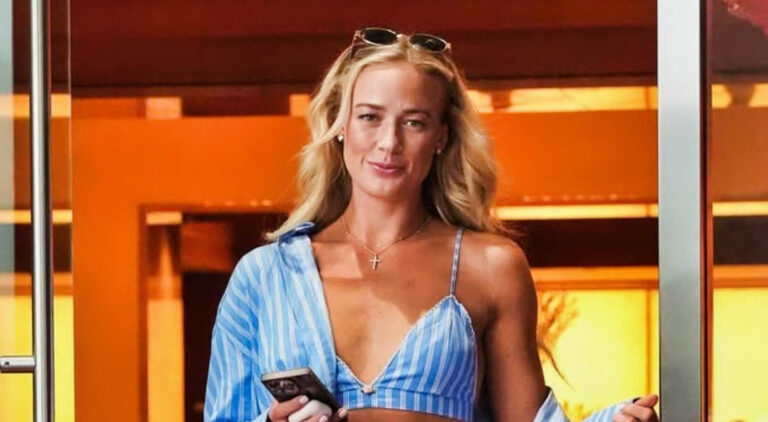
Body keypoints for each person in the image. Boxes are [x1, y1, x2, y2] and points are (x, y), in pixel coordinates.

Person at [204, 27, 660, 422]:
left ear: (442, 136)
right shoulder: (264, 277)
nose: (389, 142)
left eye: (414, 123)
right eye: (369, 117)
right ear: (340, 124)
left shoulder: (491, 268)